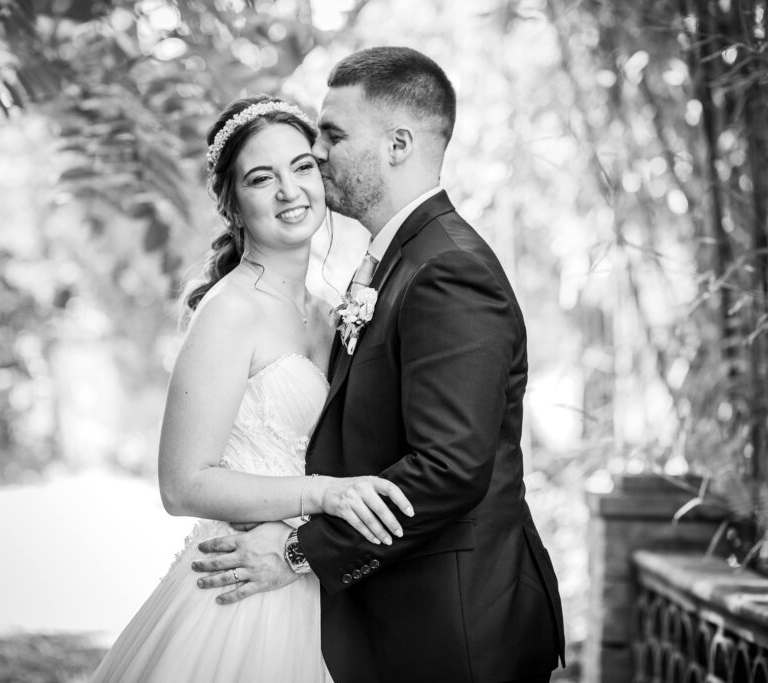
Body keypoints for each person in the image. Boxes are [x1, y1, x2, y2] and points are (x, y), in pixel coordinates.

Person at [193, 47, 566, 683]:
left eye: (333, 135)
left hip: (453, 625)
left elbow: (449, 468)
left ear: (398, 144)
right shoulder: (389, 264)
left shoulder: (447, 270)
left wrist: (296, 550)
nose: (319, 156)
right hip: (383, 619)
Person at [89, 95, 415, 683]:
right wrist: (324, 496)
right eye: (262, 178)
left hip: (308, 576)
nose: (290, 190)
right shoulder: (231, 311)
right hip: (239, 592)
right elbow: (183, 484)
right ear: (233, 205)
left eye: (303, 166)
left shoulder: (331, 309)